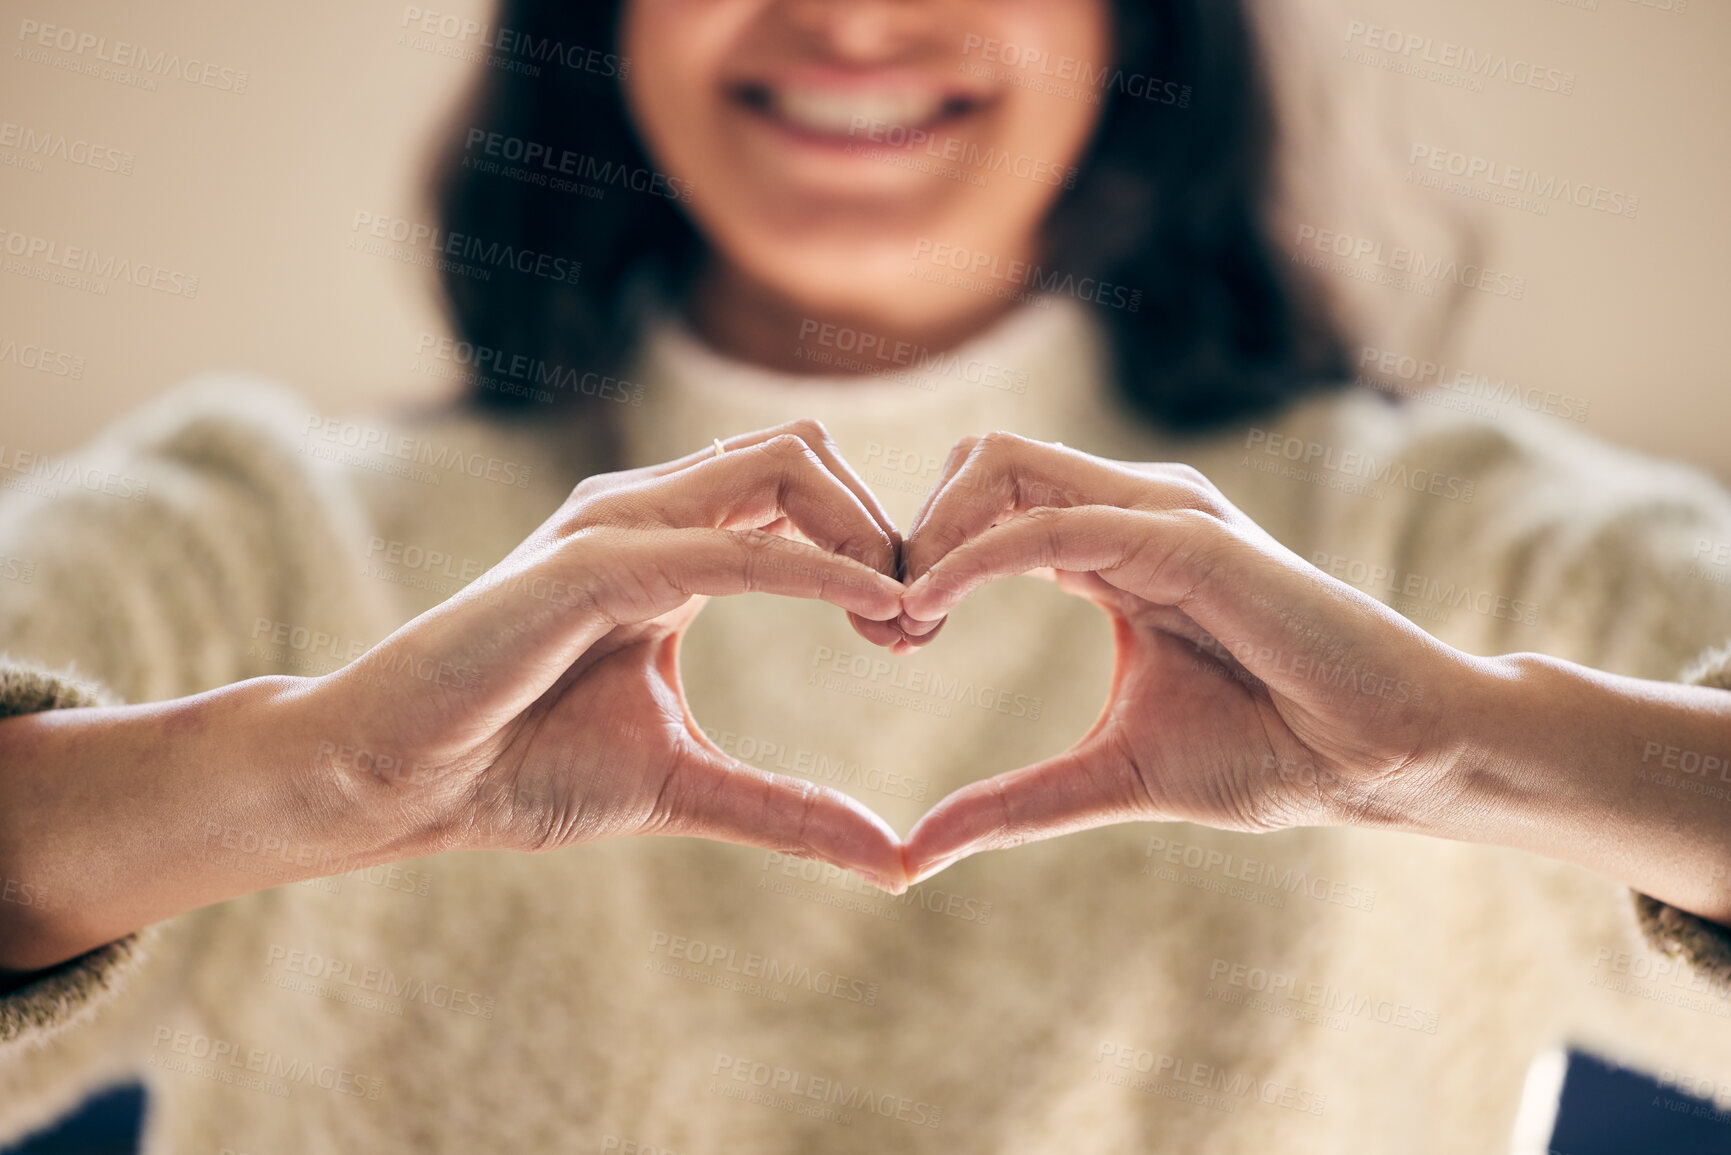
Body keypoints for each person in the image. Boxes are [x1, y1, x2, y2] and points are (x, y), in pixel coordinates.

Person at [2, 1, 1730, 1151]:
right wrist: (305, 778)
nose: (847, 16)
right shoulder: (250, 538)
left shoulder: (1466, 541)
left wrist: (1465, 746)